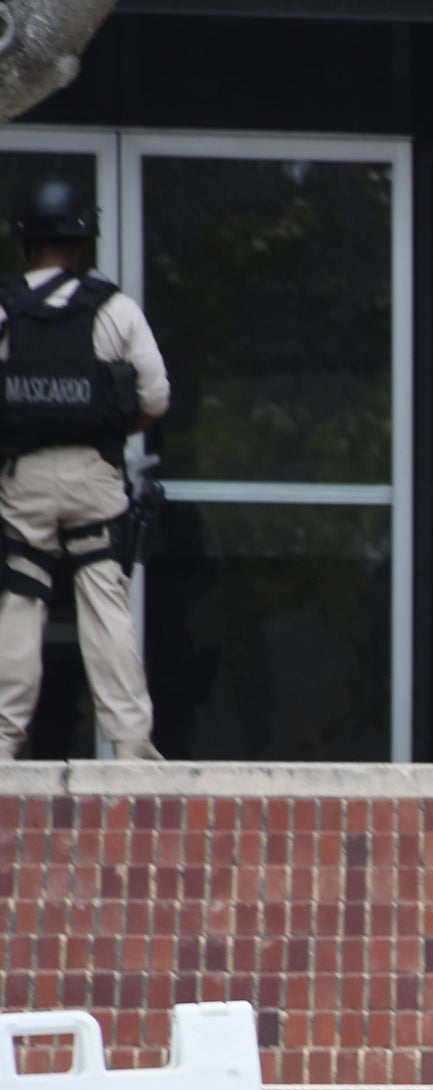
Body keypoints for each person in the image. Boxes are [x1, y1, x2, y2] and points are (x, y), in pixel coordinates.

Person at [0, 177, 168, 761]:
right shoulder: (115, 308)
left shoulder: (4, 306)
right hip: (95, 472)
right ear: (84, 242)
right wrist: (108, 432)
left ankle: (1, 739)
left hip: (23, 476)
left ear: (25, 243)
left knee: (21, 597)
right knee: (103, 597)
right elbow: (156, 397)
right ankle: (128, 742)